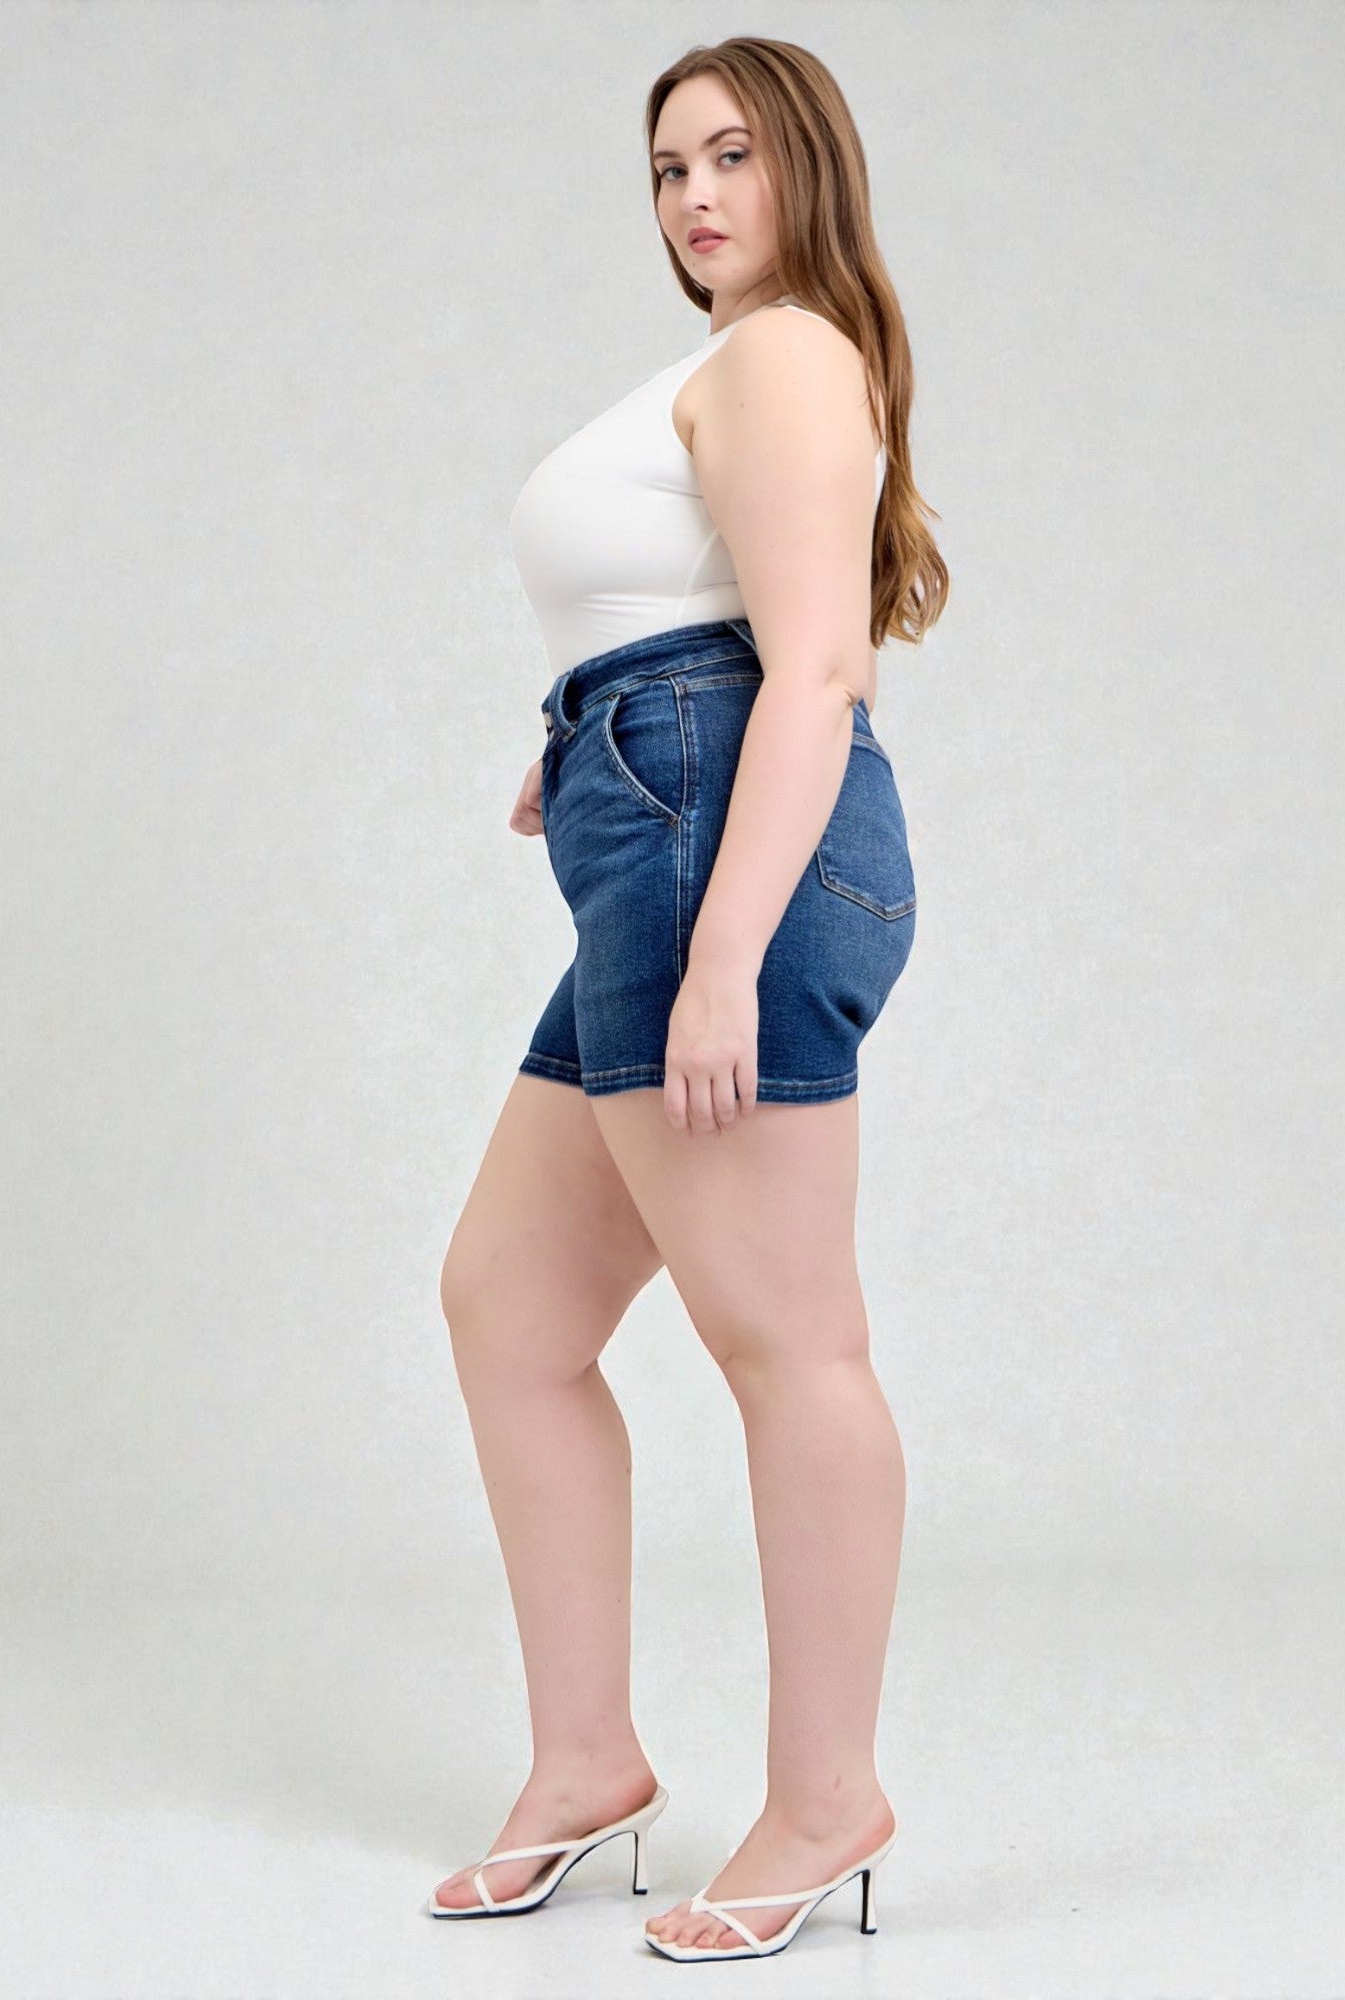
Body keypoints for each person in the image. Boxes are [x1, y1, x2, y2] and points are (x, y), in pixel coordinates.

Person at [428, 34, 948, 1965]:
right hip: (651, 823)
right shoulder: (731, 366)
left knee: (785, 1340)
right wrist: (580, 743)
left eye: (731, 155)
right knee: (511, 1305)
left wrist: (725, 943)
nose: (695, 196)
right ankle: (588, 1765)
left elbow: (811, 673)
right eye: (665, 171)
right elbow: (698, 617)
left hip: (725, 854)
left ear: (807, 164)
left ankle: (827, 1799)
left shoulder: (792, 351)